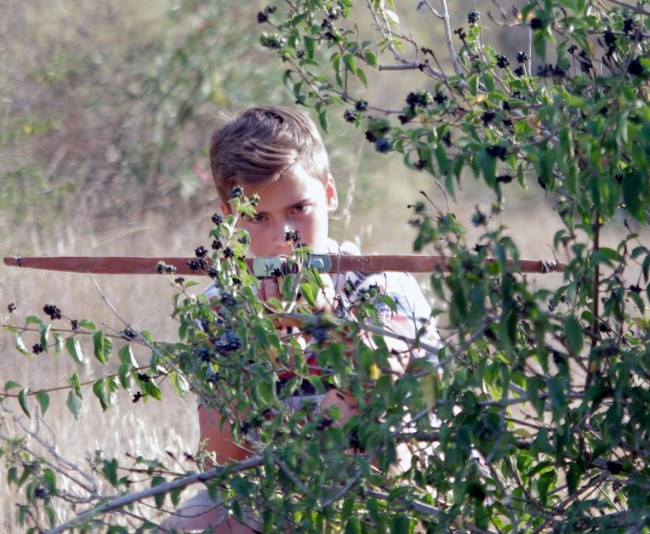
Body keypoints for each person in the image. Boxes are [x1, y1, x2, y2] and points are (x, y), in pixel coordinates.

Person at [160, 106, 441, 532]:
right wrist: (251, 352)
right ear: (230, 216)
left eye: (299, 209)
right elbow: (223, 464)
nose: (283, 239)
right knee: (195, 521)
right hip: (276, 488)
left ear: (329, 194)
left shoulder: (379, 285)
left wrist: (324, 325)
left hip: (389, 490)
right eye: (258, 217)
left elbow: (383, 412)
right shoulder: (222, 305)